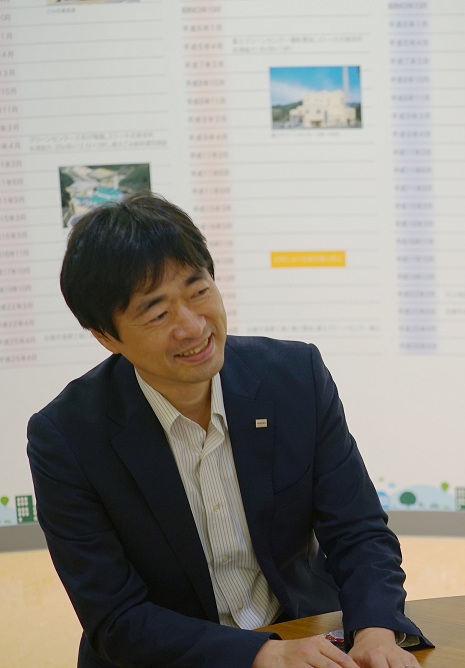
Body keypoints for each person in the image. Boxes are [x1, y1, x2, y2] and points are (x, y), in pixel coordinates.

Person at [27, 192, 430, 668]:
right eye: (158, 314)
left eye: (199, 291)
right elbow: (117, 617)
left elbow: (358, 532)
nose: (193, 327)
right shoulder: (67, 438)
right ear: (106, 337)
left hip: (300, 632)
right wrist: (262, 655)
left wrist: (375, 632)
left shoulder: (294, 377)